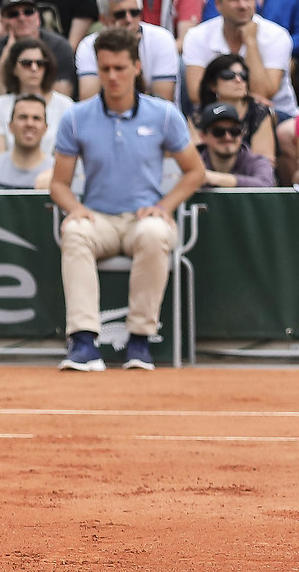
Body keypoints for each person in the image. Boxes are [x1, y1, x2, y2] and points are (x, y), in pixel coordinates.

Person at [51, 30, 203, 372]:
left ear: (136, 67)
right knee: (74, 231)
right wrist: (76, 208)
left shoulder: (164, 115)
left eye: (119, 68)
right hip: (98, 219)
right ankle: (85, 342)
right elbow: (58, 184)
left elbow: (194, 171)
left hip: (143, 218)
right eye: (104, 69)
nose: (112, 76)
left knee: (153, 233)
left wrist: (164, 207)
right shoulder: (75, 117)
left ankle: (140, 341)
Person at [180, 0, 293, 111]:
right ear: (218, 4)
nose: (243, 5)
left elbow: (263, 93)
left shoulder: (277, 35)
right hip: (216, 114)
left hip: (276, 114)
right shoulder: (197, 35)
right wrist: (239, 97)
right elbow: (196, 94)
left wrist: (251, 42)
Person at [77, 0, 181, 102]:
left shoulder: (162, 39)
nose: (129, 19)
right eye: (120, 14)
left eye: (134, 13)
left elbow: (163, 99)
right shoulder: (88, 45)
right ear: (104, 19)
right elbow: (88, 98)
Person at [0, 93, 53, 191]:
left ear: (45, 128)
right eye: (23, 117)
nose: (29, 124)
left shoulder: (58, 172)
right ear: (10, 126)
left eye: (36, 118)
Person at [193, 100, 275, 189]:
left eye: (234, 131)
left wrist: (216, 178)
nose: (227, 137)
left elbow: (266, 185)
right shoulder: (192, 162)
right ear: (203, 136)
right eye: (218, 132)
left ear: (242, 134)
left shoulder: (257, 162)